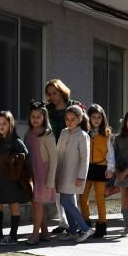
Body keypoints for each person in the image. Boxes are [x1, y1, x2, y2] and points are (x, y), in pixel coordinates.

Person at [0, 111, 30, 244]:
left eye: (4, 123)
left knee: (13, 205)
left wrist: (13, 162)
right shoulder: (0, 140)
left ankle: (13, 236)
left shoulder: (15, 140)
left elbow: (25, 154)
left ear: (11, 124)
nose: (1, 126)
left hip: (11, 180)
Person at [53, 105, 91, 241]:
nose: (69, 122)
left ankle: (85, 228)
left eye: (73, 119)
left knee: (65, 201)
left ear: (80, 119)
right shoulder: (63, 132)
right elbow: (57, 152)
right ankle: (73, 231)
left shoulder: (83, 135)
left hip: (74, 175)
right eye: (67, 119)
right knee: (66, 202)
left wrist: (81, 176)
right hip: (62, 173)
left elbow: (85, 158)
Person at [44, 78, 77, 233]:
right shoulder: (47, 109)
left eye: (54, 93)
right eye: (49, 94)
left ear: (61, 91)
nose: (52, 96)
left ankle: (74, 221)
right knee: (57, 188)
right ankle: (63, 221)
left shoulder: (73, 106)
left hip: (71, 150)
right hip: (54, 150)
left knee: (69, 189)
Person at [24, 100, 57, 245]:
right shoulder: (29, 133)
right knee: (35, 203)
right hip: (31, 172)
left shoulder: (47, 134)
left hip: (42, 173)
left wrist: (51, 179)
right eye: (33, 116)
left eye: (39, 116)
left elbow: (54, 158)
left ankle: (35, 234)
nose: (35, 119)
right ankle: (45, 232)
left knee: (37, 202)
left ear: (44, 117)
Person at [80, 104, 115, 239]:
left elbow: (111, 153)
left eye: (99, 117)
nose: (96, 120)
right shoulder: (84, 133)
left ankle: (102, 225)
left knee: (100, 198)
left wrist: (110, 168)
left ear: (102, 118)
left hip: (101, 167)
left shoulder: (106, 133)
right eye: (93, 117)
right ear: (88, 118)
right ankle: (86, 223)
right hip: (87, 168)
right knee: (82, 197)